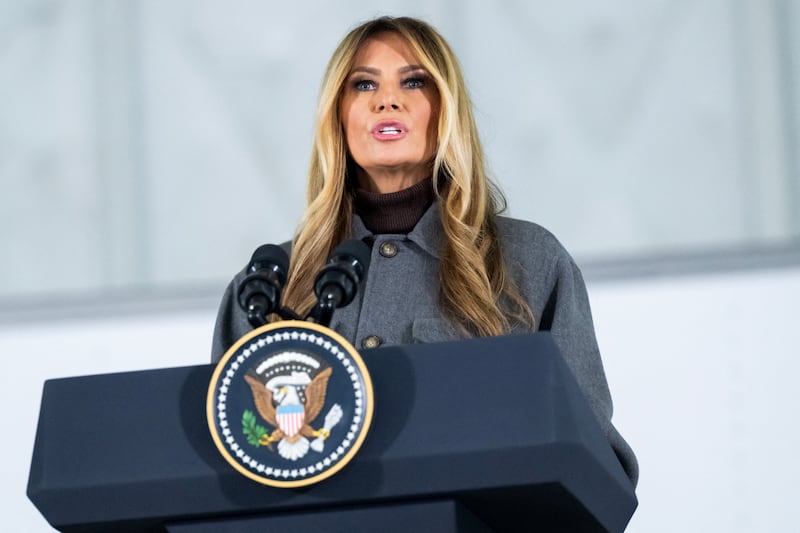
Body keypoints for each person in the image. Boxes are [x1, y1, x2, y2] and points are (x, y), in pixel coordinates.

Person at [211, 15, 638, 486]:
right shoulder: (268, 287)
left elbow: (594, 462)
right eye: (363, 85)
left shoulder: (530, 261)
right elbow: (230, 466)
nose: (387, 100)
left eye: (414, 81)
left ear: (446, 109)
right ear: (338, 115)